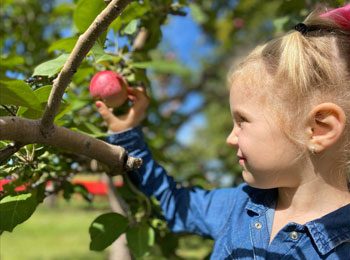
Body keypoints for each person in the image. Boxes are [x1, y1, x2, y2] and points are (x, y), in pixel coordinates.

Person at [96, 4, 350, 259]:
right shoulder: (240, 206)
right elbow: (175, 204)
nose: (230, 138)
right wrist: (128, 135)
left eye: (242, 121)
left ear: (318, 129)